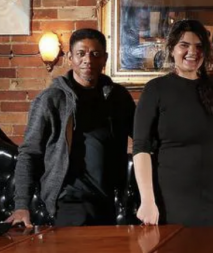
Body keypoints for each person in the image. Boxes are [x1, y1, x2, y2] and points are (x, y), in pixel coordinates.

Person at [8, 28, 135, 228]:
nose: (88, 60)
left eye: (95, 54)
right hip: (69, 200)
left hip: (108, 199)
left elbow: (142, 137)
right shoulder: (51, 99)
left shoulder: (118, 97)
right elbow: (29, 153)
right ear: (70, 58)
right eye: (81, 53)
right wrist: (21, 205)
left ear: (105, 58)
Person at [132, 19, 213, 228]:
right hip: (173, 198)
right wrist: (148, 200)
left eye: (199, 46)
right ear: (172, 49)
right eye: (184, 45)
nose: (192, 52)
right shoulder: (155, 90)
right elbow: (141, 147)